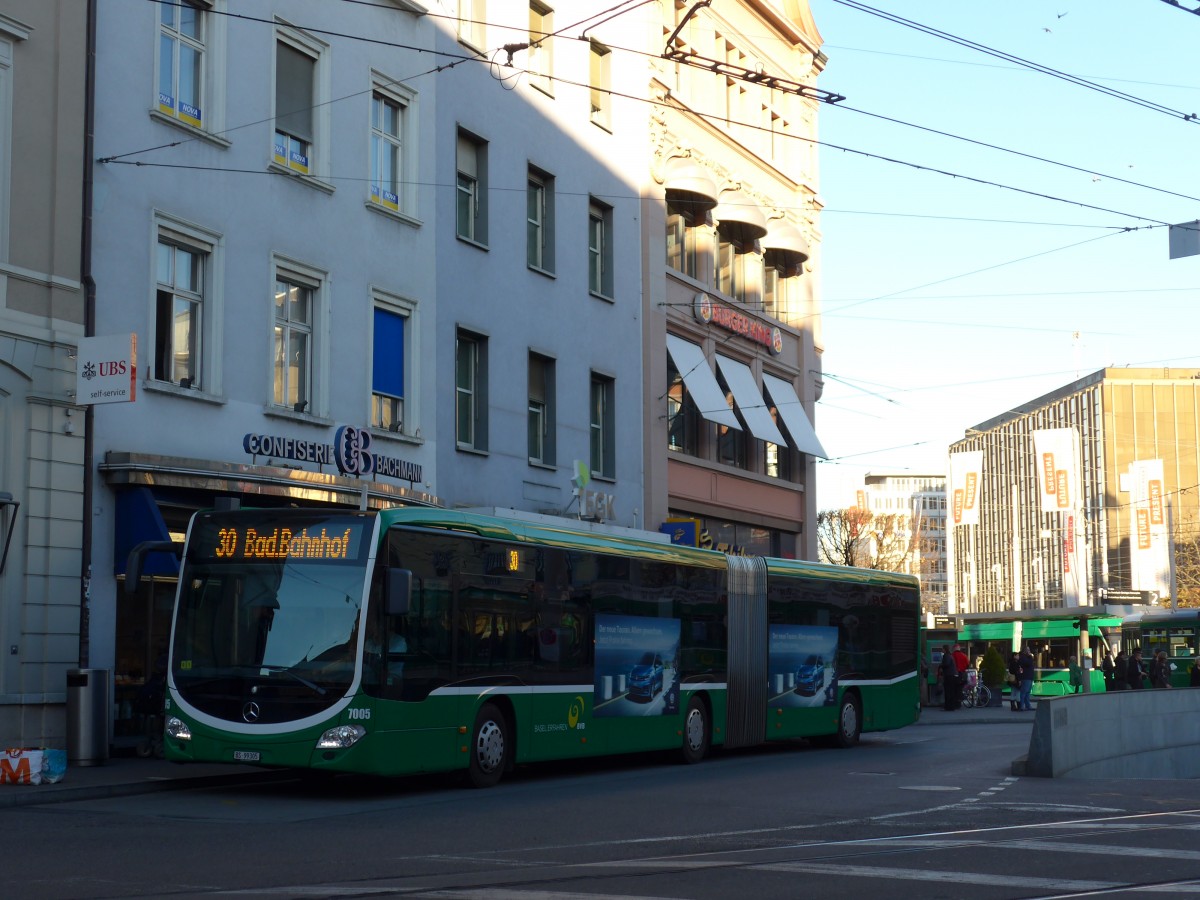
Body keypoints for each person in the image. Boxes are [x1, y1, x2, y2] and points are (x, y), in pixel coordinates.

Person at [1017, 645, 1036, 710]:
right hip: (1026, 677)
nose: (1029, 651)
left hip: (1029, 676)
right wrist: (1030, 656)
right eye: (1028, 650)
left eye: (1029, 649)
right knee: (1024, 692)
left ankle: (1027, 705)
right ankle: (1022, 706)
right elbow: (1028, 663)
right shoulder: (1023, 657)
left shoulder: (1026, 657)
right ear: (1024, 650)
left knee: (1027, 692)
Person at [940, 644, 958, 711]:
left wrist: (941, 665)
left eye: (942, 649)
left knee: (948, 691)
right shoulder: (950, 655)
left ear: (945, 649)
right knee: (951, 691)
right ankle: (951, 706)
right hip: (952, 675)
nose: (942, 650)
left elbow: (946, 664)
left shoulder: (946, 656)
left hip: (948, 675)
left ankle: (948, 706)